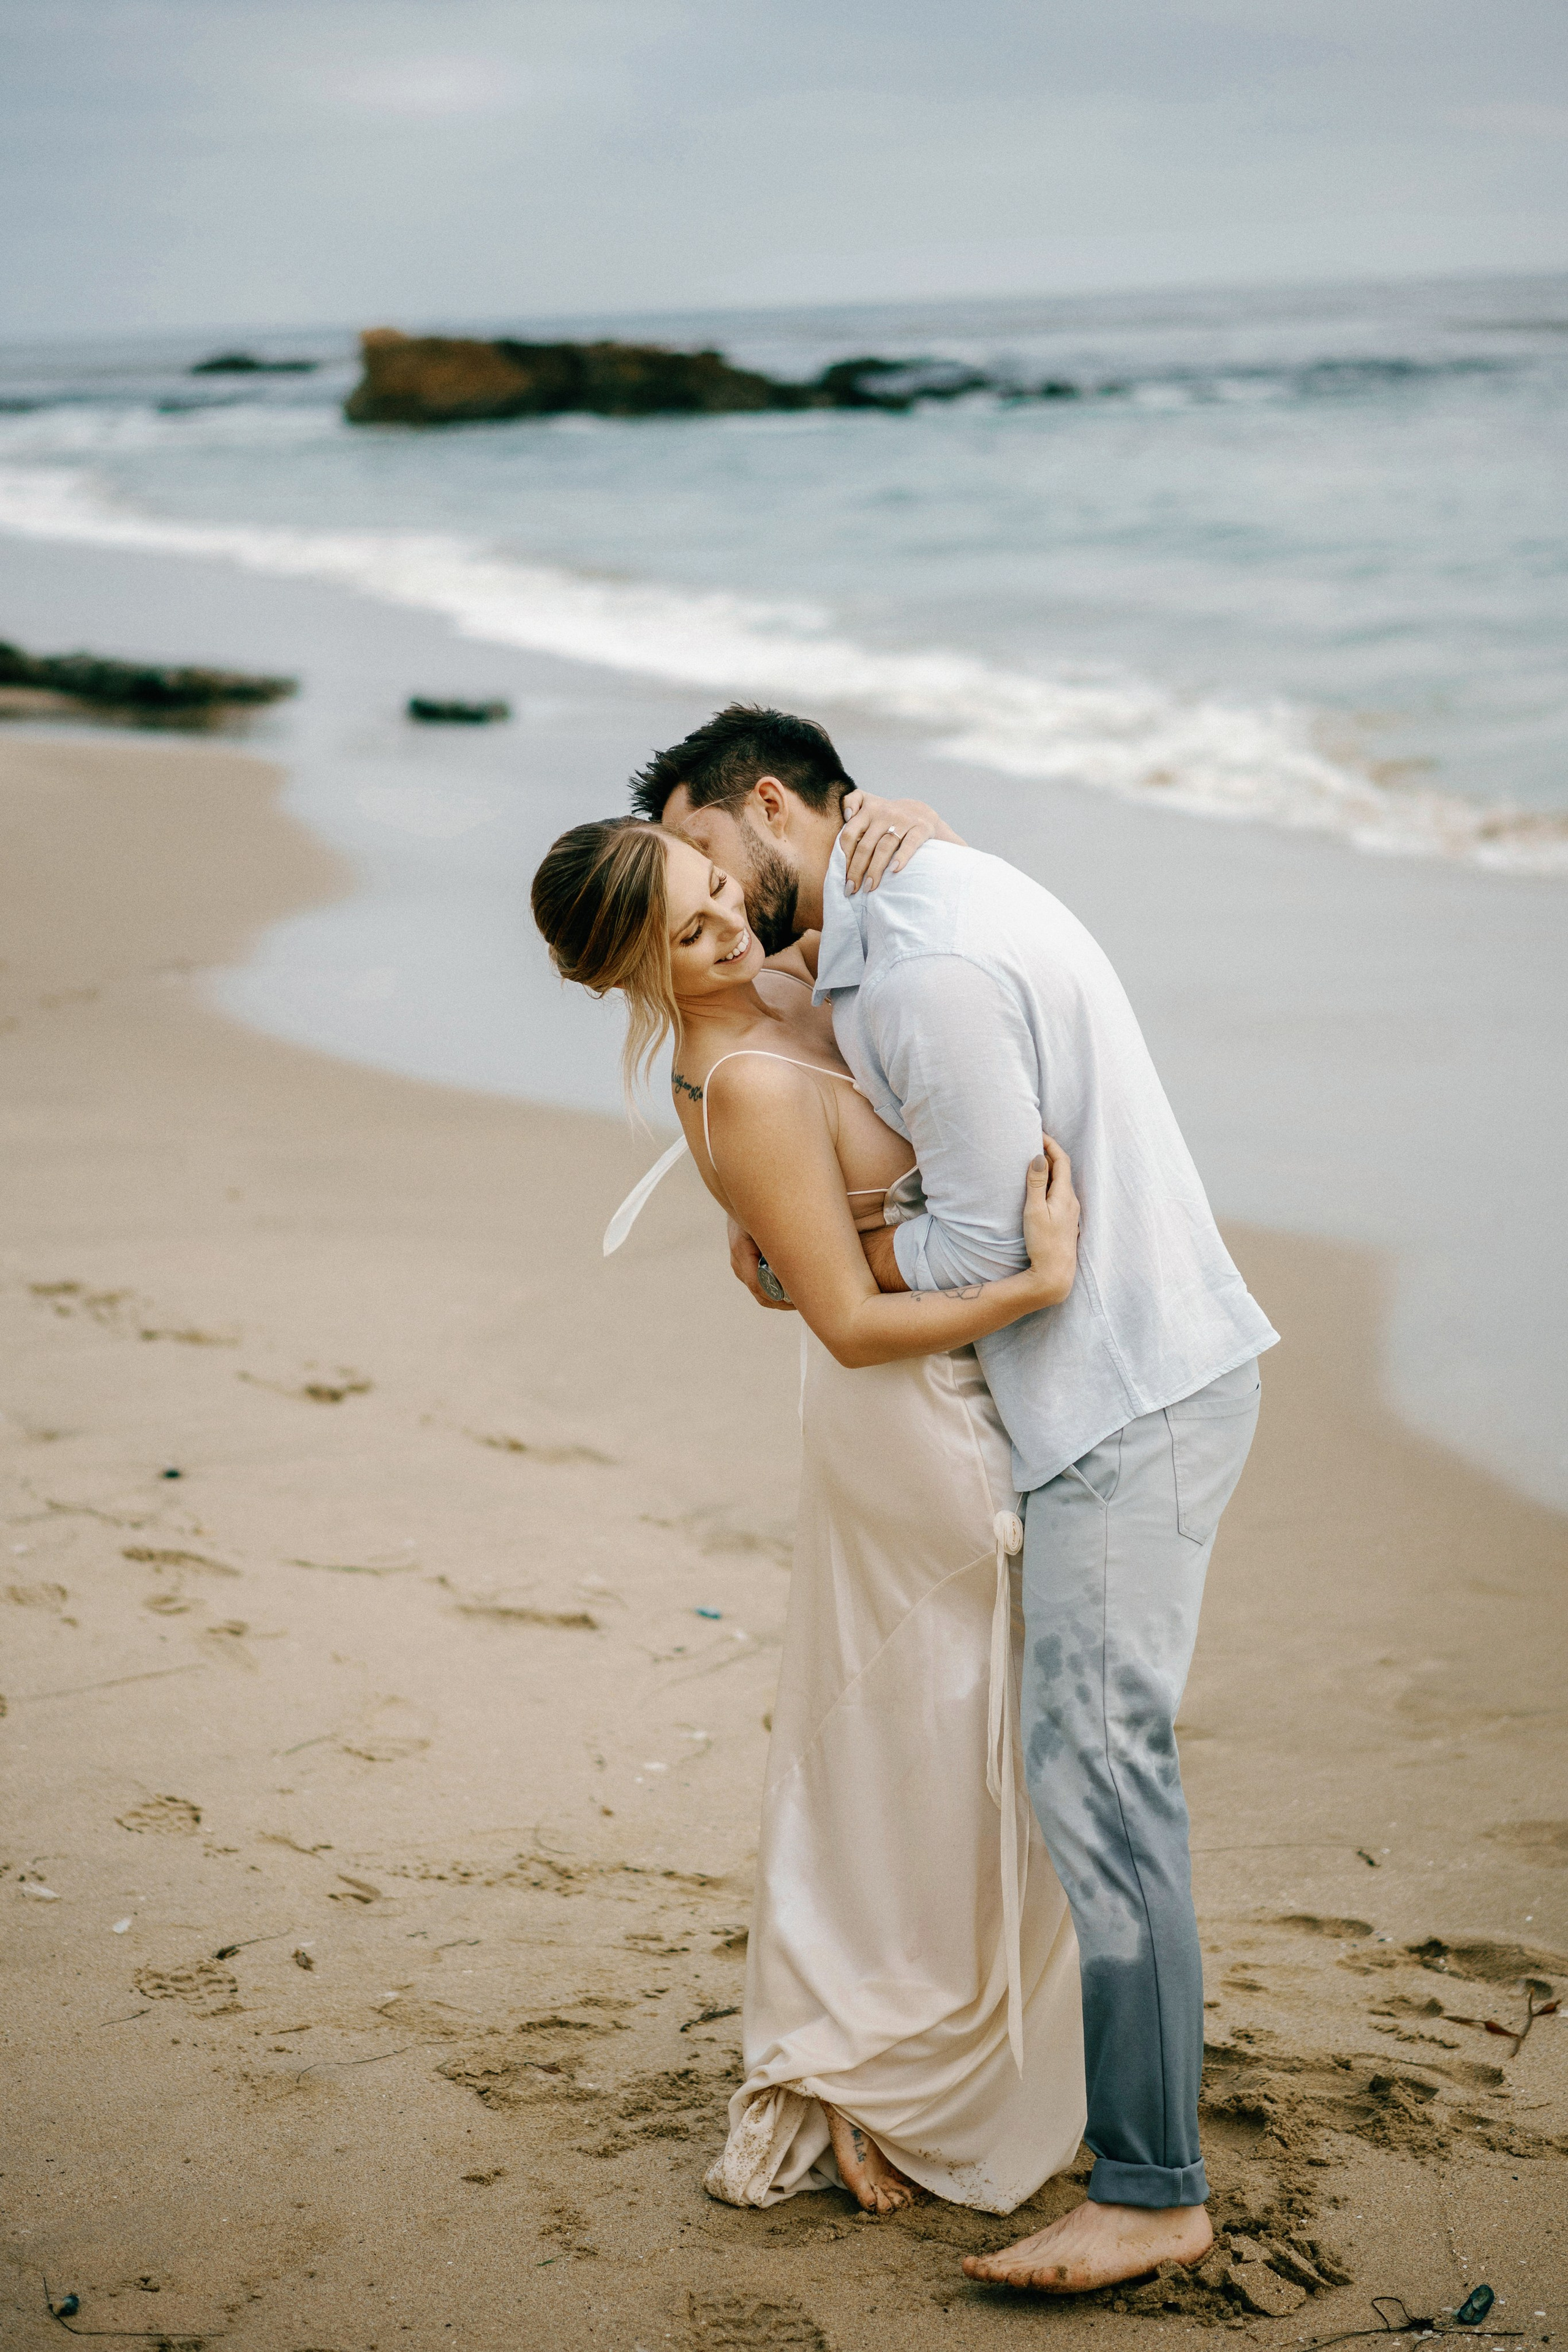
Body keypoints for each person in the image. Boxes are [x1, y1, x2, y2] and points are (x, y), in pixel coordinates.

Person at [628, 704, 1280, 2294]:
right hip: (1105, 1381)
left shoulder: (911, 962)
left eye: (706, 861)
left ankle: (1152, 2188)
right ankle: (1045, 2096)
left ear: (770, 807)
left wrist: (812, 1256)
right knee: (1057, 1759)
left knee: (1097, 1771)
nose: (702, 904)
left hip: (1123, 1389)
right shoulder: (908, 905)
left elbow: (988, 1254)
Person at [531, 809, 1090, 2219]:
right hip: (905, 1424)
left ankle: (897, 2050)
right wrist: (1030, 1287)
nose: (730, 930)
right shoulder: (740, 1082)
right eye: (689, 933)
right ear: (630, 977)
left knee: (941, 1745)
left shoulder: (776, 981)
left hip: (938, 1376)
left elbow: (885, 938)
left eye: (717, 889)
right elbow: (841, 1320)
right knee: (932, 1748)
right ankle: (864, 2072)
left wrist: (921, 831)